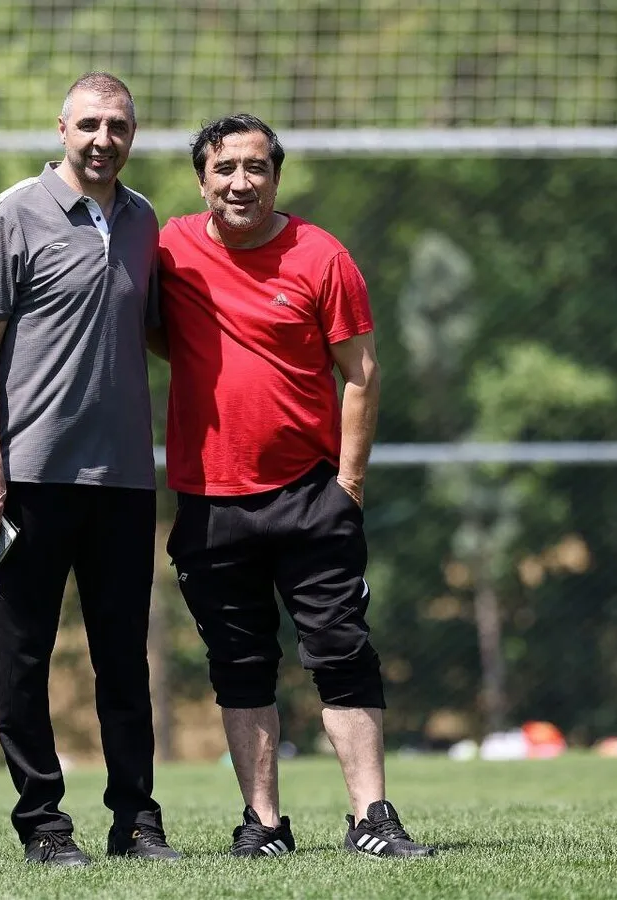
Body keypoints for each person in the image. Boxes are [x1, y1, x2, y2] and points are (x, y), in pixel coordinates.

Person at [157, 113, 437, 859]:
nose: (240, 182)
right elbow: (155, 331)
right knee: (239, 664)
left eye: (256, 167)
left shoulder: (322, 256)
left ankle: (372, 818)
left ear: (277, 177)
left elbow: (362, 374)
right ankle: (264, 825)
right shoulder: (171, 250)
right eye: (224, 168)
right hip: (210, 501)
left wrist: (348, 485)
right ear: (202, 181)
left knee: (342, 651)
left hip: (312, 495)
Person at [0, 72, 178, 867]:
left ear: (132, 134)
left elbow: (154, 332)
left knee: (123, 661)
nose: (102, 139)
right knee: (24, 662)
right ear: (61, 129)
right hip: (28, 480)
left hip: (123, 481)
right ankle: (44, 827)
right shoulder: (12, 214)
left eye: (117, 126)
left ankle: (137, 823)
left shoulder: (144, 221)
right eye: (89, 124)